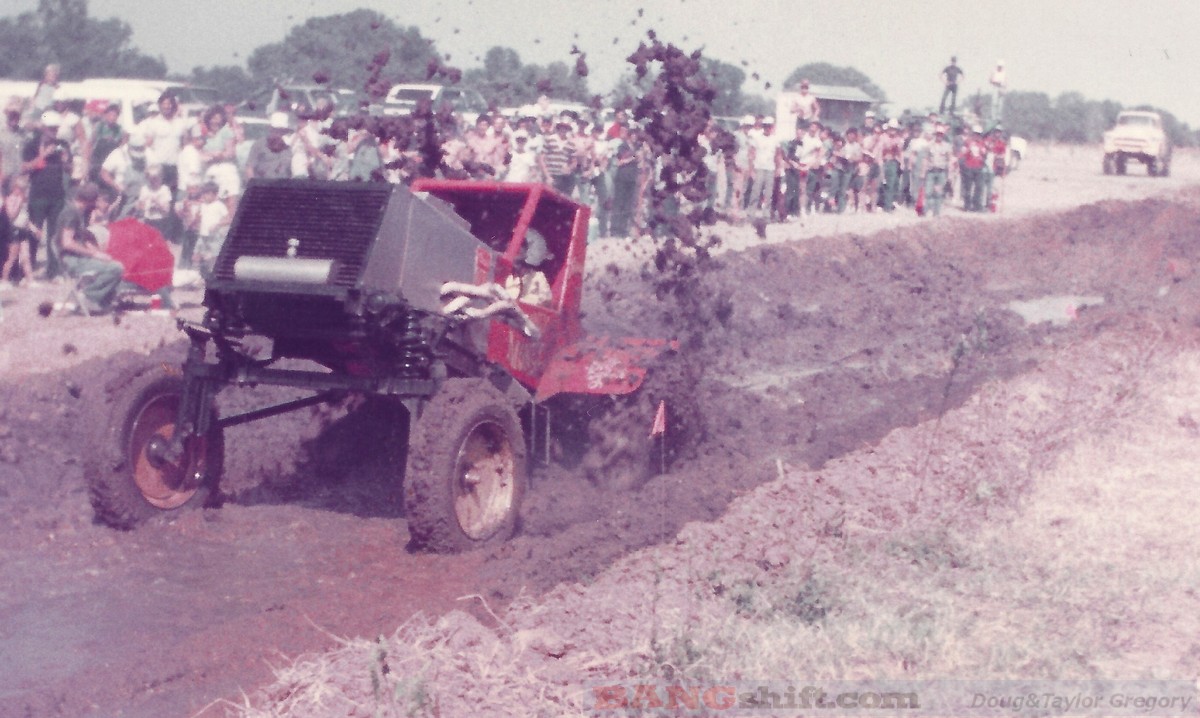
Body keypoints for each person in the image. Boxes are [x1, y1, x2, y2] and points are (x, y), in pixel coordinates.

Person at [58, 182, 124, 314]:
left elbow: (82, 240)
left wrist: (98, 252)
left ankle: (100, 303)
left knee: (112, 263)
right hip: (71, 260)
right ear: (90, 201)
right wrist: (93, 255)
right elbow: (67, 243)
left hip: (78, 258)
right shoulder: (71, 213)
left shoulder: (78, 212)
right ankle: (88, 296)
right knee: (116, 268)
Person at [22, 110, 71, 279]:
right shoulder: (32, 144)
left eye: (56, 129)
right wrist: (43, 155)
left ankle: (53, 271)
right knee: (34, 232)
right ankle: (30, 268)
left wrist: (65, 161)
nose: (54, 132)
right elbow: (25, 168)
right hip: (38, 194)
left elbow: (70, 169)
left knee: (54, 234)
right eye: (50, 128)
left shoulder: (63, 144)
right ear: (43, 128)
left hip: (57, 195)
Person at [1, 175, 39, 284]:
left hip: (23, 230)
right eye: (20, 189)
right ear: (14, 188)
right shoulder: (10, 199)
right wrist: (18, 203)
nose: (22, 192)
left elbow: (25, 218)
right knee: (12, 258)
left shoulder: (24, 201)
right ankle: (4, 280)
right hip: (14, 230)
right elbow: (11, 215)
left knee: (26, 256)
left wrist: (34, 229)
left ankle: (30, 280)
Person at [192, 181, 230, 277]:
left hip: (214, 236)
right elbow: (199, 218)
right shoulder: (203, 205)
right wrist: (197, 219)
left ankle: (213, 276)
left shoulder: (219, 205)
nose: (204, 196)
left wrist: (217, 224)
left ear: (214, 194)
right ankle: (196, 276)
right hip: (202, 235)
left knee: (212, 258)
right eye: (203, 193)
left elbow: (229, 220)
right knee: (196, 255)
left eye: (207, 193)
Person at [244, 112, 293, 180]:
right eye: (276, 130)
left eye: (281, 131)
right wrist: (253, 186)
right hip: (263, 186)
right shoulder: (259, 144)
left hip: (283, 187)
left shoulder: (288, 147)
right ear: (270, 129)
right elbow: (249, 168)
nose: (278, 134)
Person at [539, 118, 578, 196]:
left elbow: (574, 162)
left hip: (563, 177)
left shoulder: (571, 143)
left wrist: (569, 168)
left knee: (560, 200)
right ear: (558, 128)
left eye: (566, 128)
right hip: (550, 175)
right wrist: (547, 176)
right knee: (547, 198)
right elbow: (541, 159)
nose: (563, 130)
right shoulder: (550, 139)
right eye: (562, 127)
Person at [921, 126, 954, 217]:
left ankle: (936, 213)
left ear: (943, 135)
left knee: (938, 193)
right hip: (931, 171)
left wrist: (950, 174)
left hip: (941, 172)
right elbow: (925, 159)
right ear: (935, 135)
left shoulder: (947, 146)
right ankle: (926, 211)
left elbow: (950, 160)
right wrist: (923, 172)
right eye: (938, 134)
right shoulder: (929, 145)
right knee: (928, 192)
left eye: (941, 134)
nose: (939, 136)